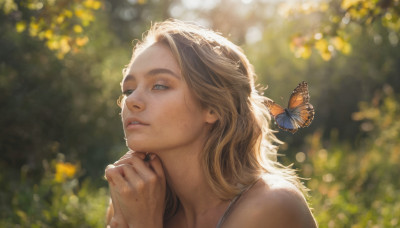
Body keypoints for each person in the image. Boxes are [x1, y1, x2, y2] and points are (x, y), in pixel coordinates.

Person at [104, 19, 318, 228]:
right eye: (128, 90)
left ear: (213, 107)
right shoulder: (135, 200)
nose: (131, 101)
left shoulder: (271, 206)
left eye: (159, 86)